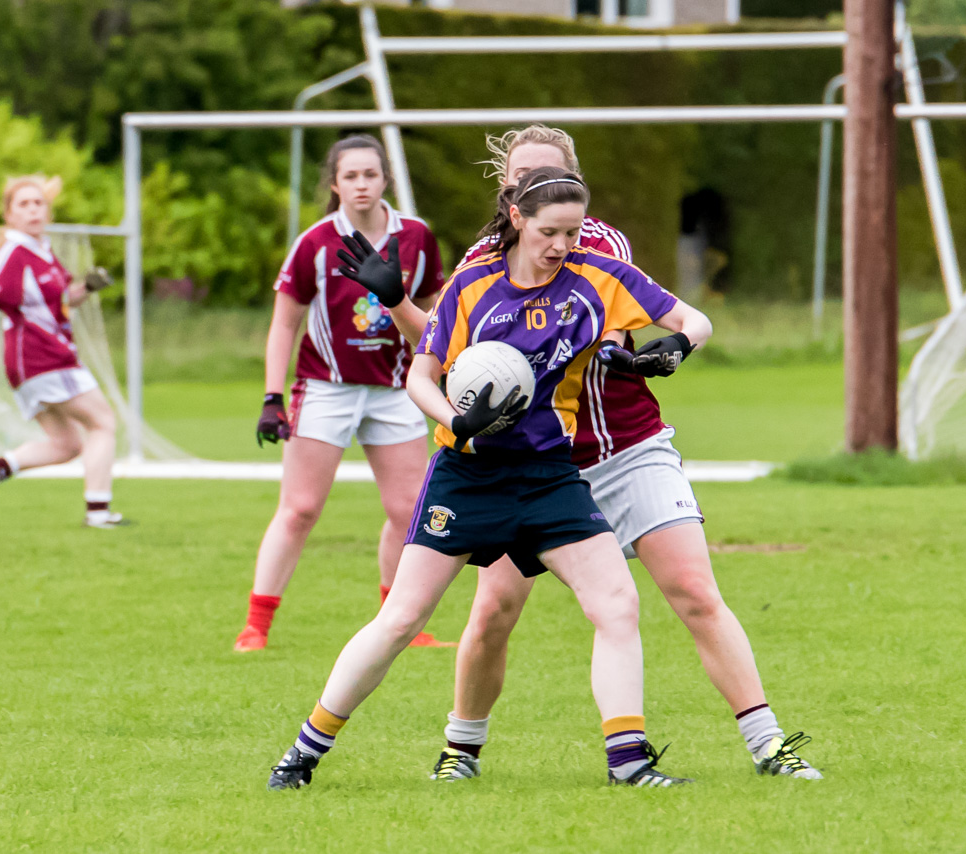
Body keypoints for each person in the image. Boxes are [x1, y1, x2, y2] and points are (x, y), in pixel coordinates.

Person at [352, 125, 821, 782]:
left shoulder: (594, 245)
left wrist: (669, 348)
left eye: (547, 173)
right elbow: (450, 360)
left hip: (627, 445)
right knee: (491, 611)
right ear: (508, 194)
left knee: (692, 590)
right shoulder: (481, 260)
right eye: (519, 178)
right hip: (536, 465)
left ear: (570, 179)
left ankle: (769, 745)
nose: (534, 189)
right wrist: (395, 298)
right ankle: (460, 752)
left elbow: (631, 326)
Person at [267, 167, 702, 791]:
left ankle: (628, 761)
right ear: (518, 220)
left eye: (573, 233)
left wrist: (674, 348)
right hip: (468, 473)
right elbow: (422, 376)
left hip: (551, 473)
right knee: (401, 618)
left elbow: (694, 320)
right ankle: (304, 752)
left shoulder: (598, 278)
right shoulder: (473, 286)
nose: (560, 245)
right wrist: (459, 421)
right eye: (549, 231)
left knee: (616, 604)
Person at [234, 134, 453, 653]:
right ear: (334, 184)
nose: (361, 184)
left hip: (396, 388)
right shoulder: (314, 242)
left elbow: (435, 317)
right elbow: (284, 324)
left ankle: (400, 622)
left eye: (370, 175)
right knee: (301, 509)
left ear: (385, 180)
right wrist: (272, 396)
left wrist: (443, 371)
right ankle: (255, 627)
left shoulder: (417, 237)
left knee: (408, 508)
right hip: (324, 388)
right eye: (350, 176)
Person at [0, 174, 127, 530]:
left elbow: (64, 299)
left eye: (39, 203)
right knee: (103, 422)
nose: (34, 209)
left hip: (38, 359)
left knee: (67, 444)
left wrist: (89, 286)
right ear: (9, 215)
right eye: (24, 204)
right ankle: (98, 513)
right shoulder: (15, 249)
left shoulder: (43, 251)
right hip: (41, 356)